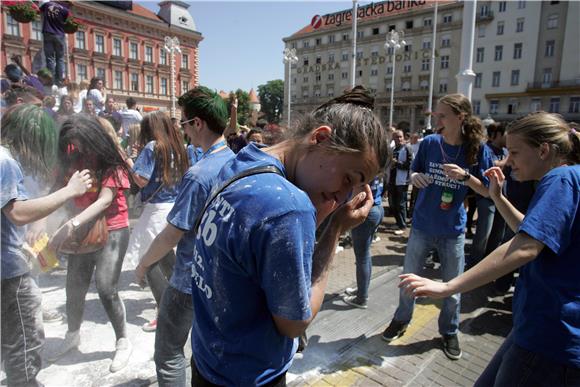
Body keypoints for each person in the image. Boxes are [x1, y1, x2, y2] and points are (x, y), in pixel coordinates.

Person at [189, 86, 389, 385]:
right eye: (349, 178)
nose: (346, 195)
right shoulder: (288, 208)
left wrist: (318, 215)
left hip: (207, 359)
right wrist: (335, 230)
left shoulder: (243, 159)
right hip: (249, 376)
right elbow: (294, 324)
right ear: (320, 138)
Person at [399, 112, 580, 386]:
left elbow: (526, 246)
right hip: (540, 328)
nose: (508, 161)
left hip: (551, 338)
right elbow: (531, 232)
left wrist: (449, 287)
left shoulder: (561, 178)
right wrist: (497, 196)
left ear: (543, 150)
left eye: (515, 152)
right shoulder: (571, 177)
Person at [133, 86, 234, 386]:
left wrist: (142, 265)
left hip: (189, 281)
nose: (184, 131)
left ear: (198, 124)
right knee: (204, 350)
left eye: (185, 124)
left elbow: (171, 235)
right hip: (222, 278)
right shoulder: (236, 161)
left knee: (168, 353)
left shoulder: (200, 173)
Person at [381, 94, 494, 361]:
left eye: (442, 115)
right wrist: (416, 176)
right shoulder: (430, 143)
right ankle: (401, 319)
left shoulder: (477, 149)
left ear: (460, 117)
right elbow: (413, 172)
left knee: (452, 286)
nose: (436, 120)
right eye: (436, 115)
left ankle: (449, 331)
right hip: (421, 226)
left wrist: (466, 177)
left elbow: (489, 192)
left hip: (453, 230)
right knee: (409, 280)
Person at [1, 104, 92, 387]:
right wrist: (70, 191)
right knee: (26, 335)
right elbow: (16, 212)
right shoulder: (5, 161)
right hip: (7, 268)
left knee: (10, 333)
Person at [48, 115, 133, 373]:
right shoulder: (71, 154)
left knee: (106, 288)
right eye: (72, 143)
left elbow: (105, 200)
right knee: (74, 287)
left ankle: (122, 340)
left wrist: (70, 225)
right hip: (83, 228)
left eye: (80, 142)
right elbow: (56, 188)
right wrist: (43, 223)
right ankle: (72, 335)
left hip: (113, 227)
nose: (77, 148)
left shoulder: (110, 159)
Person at [125, 111, 189, 332]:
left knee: (149, 259)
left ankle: (165, 311)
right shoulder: (178, 147)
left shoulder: (153, 146)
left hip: (156, 209)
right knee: (168, 261)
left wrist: (129, 162)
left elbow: (141, 180)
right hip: (174, 208)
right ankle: (180, 305)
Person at [469, 122, 508, 267]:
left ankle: (488, 265)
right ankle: (474, 265)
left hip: (502, 198)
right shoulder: (486, 149)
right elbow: (488, 170)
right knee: (483, 234)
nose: (507, 137)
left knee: (498, 233)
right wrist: (506, 161)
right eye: (505, 134)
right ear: (497, 135)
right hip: (487, 198)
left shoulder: (504, 151)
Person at [342, 175, 384, 309]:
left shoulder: (363, 172)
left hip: (366, 211)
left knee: (362, 257)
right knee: (365, 255)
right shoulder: (378, 167)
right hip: (377, 208)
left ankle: (361, 298)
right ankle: (362, 289)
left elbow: (357, 195)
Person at [40, 1, 70, 87]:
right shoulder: (65, 10)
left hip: (48, 33)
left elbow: (40, 11)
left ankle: (51, 80)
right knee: (59, 59)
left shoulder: (47, 4)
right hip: (59, 35)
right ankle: (59, 80)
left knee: (50, 58)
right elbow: (64, 21)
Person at [388, 129, 413, 235]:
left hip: (402, 181)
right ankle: (398, 222)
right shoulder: (393, 149)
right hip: (392, 179)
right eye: (396, 137)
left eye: (400, 136)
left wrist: (397, 163)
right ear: (393, 138)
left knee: (401, 204)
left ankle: (403, 226)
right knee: (393, 203)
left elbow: (410, 164)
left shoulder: (407, 148)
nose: (399, 139)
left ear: (403, 137)